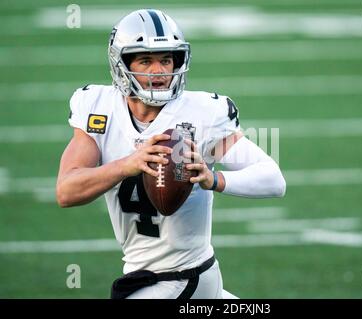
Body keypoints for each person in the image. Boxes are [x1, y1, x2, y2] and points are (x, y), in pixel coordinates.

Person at [56, 9, 286, 299]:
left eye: (166, 59)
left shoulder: (203, 114)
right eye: (145, 60)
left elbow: (274, 180)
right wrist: (127, 165)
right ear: (121, 63)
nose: (159, 71)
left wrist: (212, 178)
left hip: (185, 276)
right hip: (145, 275)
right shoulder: (98, 108)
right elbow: (66, 191)